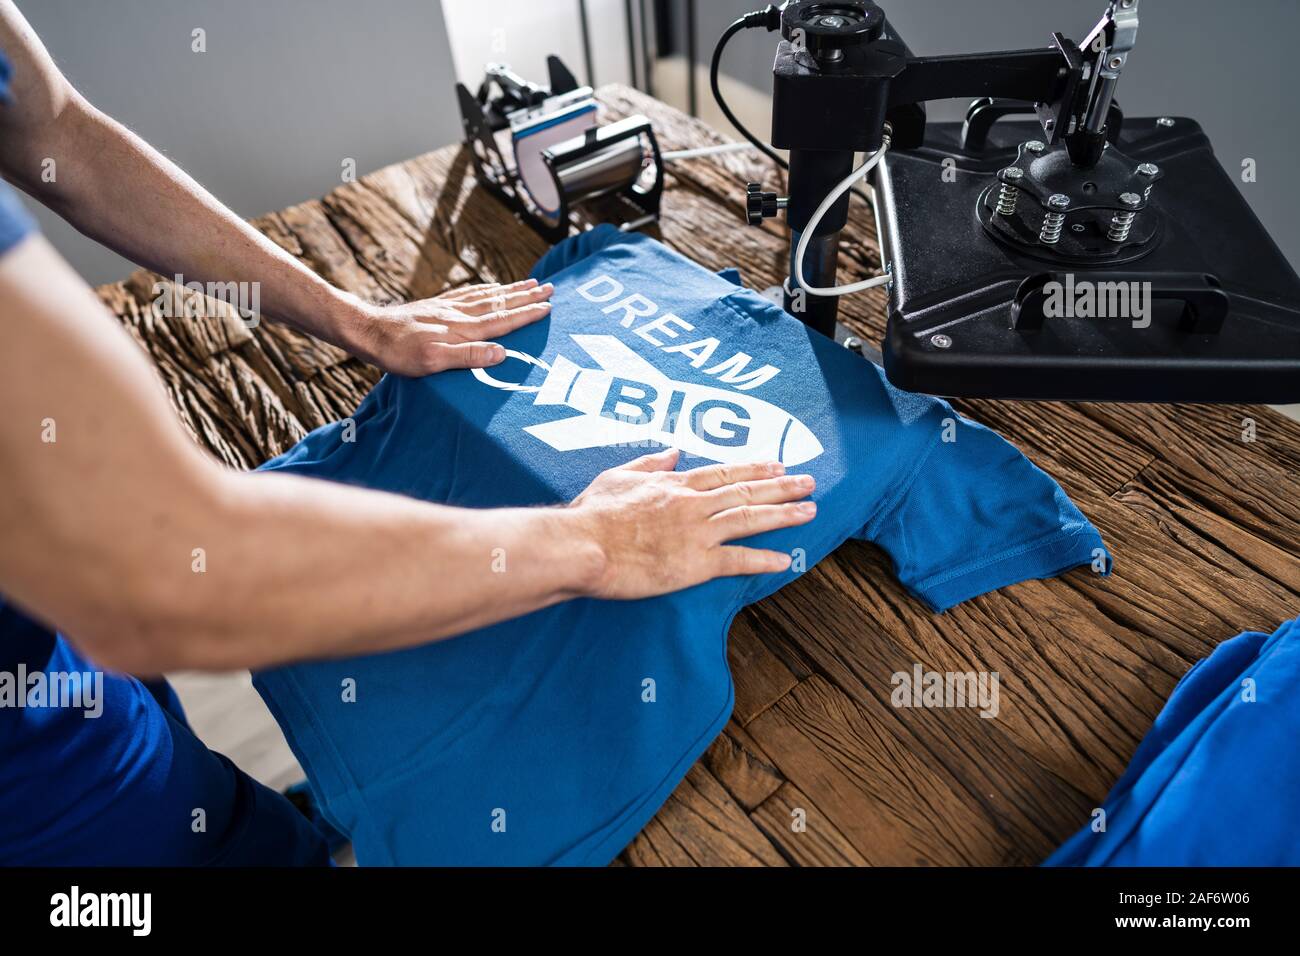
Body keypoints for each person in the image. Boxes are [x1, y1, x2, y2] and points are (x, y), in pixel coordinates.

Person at [0, 1, 815, 865]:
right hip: (45, 798)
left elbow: (57, 133)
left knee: (205, 782)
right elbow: (156, 583)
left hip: (73, 651)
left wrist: (362, 322)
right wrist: (597, 545)